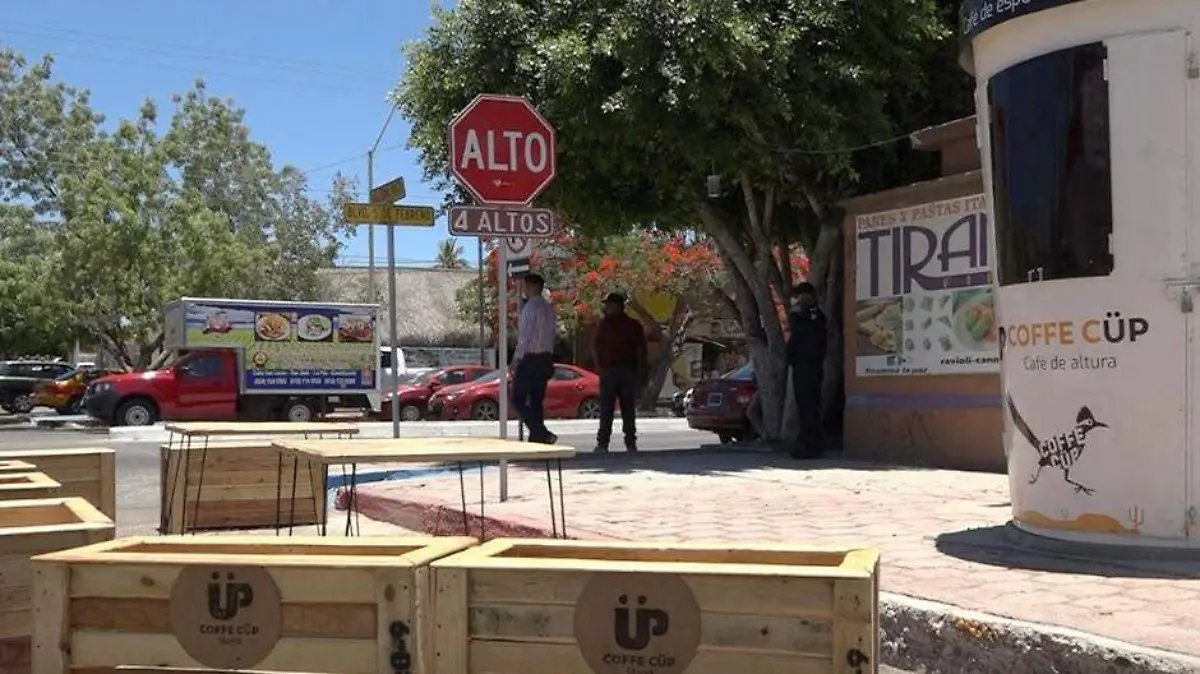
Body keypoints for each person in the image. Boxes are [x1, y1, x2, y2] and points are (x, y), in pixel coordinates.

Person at [592, 292, 648, 452]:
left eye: (610, 304)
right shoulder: (605, 324)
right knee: (609, 408)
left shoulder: (631, 325)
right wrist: (599, 366)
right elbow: (596, 346)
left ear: (618, 306)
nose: (607, 307)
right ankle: (605, 442)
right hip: (612, 370)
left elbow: (641, 351)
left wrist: (641, 373)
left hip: (625, 370)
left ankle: (628, 441)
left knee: (625, 408)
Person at [512, 273, 558, 444]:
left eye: (526, 286)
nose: (524, 290)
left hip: (531, 358)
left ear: (531, 287)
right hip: (546, 358)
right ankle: (537, 438)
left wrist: (517, 358)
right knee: (536, 401)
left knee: (518, 399)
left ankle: (541, 432)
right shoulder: (548, 309)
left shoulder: (530, 308)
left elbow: (525, 337)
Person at [786, 282, 827, 459]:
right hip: (799, 366)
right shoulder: (797, 317)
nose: (799, 300)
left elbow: (814, 339)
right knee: (803, 405)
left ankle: (812, 443)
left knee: (810, 405)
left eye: (802, 296)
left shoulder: (816, 317)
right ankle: (806, 440)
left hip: (811, 367)